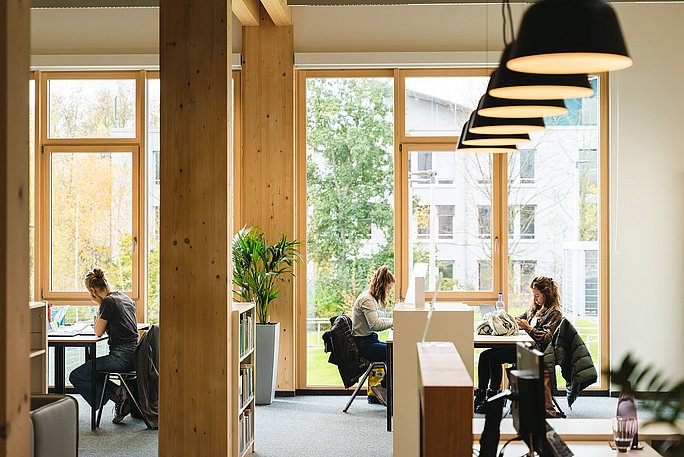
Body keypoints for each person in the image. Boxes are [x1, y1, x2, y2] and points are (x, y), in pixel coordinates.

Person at [474, 276, 563, 413]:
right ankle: (481, 397)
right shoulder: (535, 309)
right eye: (533, 295)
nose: (534, 299)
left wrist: (529, 328)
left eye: (537, 295)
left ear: (547, 294)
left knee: (494, 358)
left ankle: (494, 400)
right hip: (525, 346)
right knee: (485, 355)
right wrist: (503, 320)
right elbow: (519, 319)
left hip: (536, 351)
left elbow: (546, 337)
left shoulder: (554, 313)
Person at [69, 268, 139, 424]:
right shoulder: (124, 297)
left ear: (92, 290)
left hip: (120, 358)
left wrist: (99, 304)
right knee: (93, 371)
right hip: (135, 356)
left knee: (77, 376)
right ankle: (120, 395)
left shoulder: (107, 302)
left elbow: (98, 331)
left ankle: (119, 395)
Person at [351, 266, 395, 405]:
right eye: (388, 289)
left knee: (394, 350)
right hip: (365, 344)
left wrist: (393, 321)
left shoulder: (369, 298)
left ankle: (384, 388)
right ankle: (382, 388)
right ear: (382, 286)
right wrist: (396, 321)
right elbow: (375, 325)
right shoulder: (367, 300)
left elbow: (377, 321)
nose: (388, 292)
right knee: (394, 353)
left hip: (369, 340)